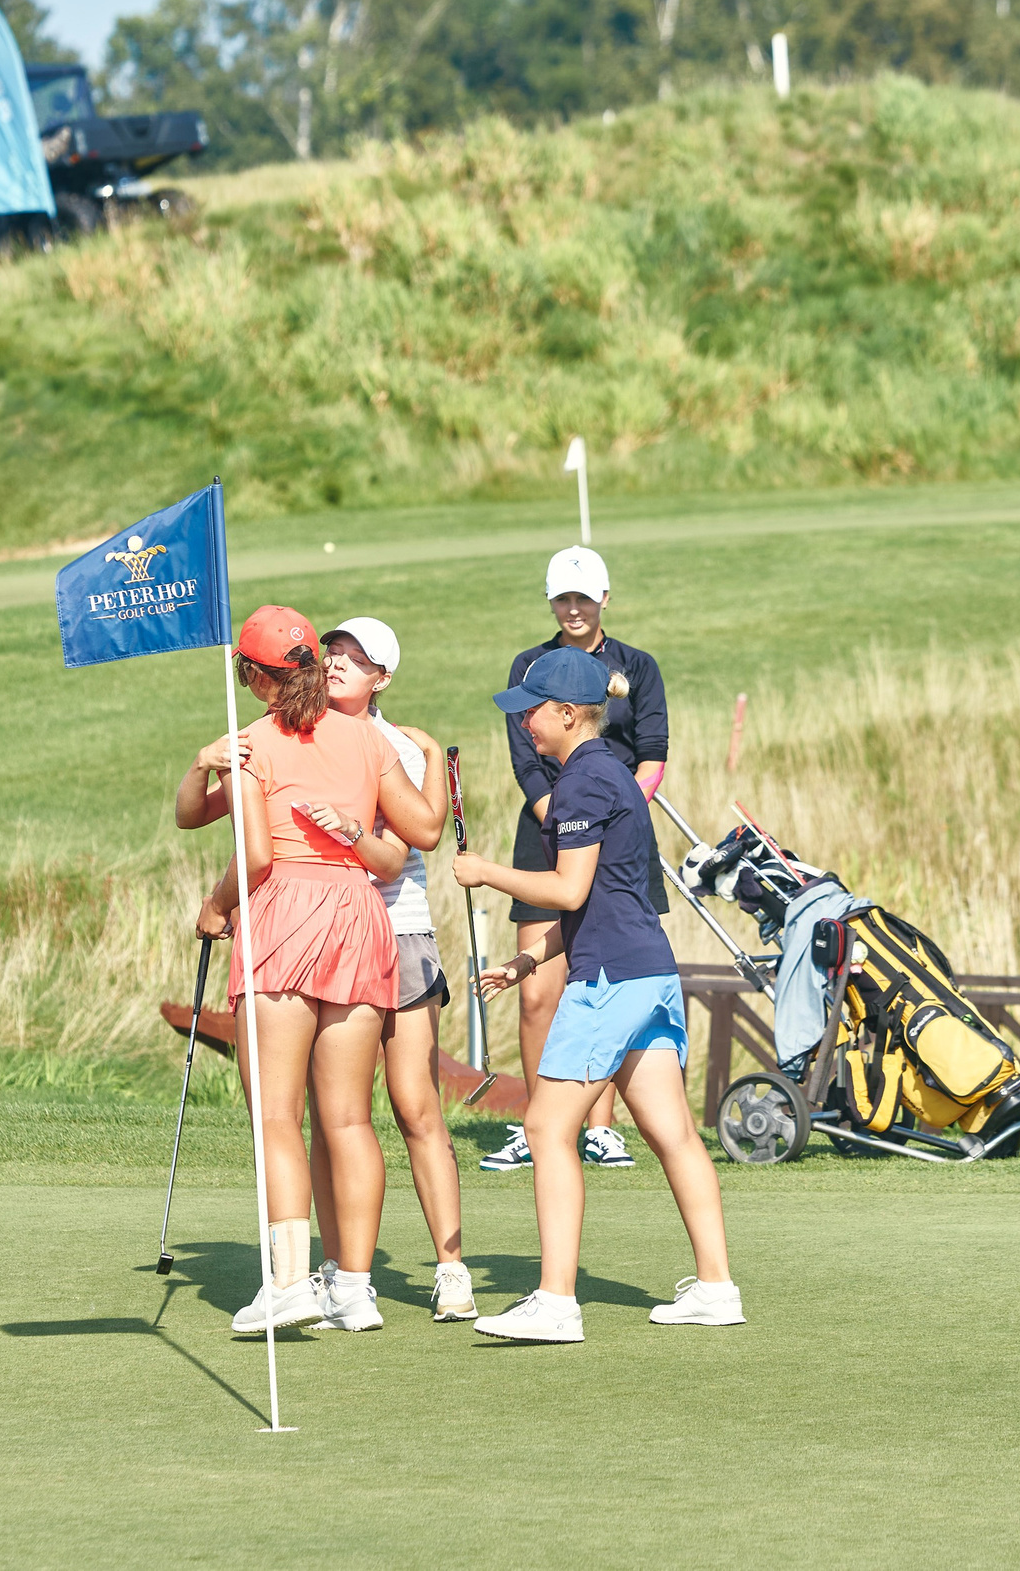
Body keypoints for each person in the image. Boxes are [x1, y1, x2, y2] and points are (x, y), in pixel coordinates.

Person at [452, 646, 741, 1343]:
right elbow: (597, 902)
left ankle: (555, 1300)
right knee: (671, 1132)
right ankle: (715, 1286)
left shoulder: (583, 782)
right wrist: (527, 962)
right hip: (648, 973)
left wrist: (488, 871)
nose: (524, 725)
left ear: (569, 713)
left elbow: (569, 891)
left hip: (610, 980)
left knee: (549, 1127)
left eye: (532, 713)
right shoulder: (611, 776)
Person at [174, 605, 441, 1335]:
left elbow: (255, 854)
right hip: (360, 914)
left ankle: (291, 1282)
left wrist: (215, 902)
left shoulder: (255, 742)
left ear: (254, 677)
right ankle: (353, 1288)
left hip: (285, 914)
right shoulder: (363, 736)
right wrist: (203, 768)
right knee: (350, 1117)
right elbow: (421, 828)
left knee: (277, 1116)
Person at [305, 617, 477, 1323]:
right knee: (331, 1113)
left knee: (415, 1105)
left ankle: (452, 1267)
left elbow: (417, 835)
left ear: (382, 677)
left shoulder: (400, 745)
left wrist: (428, 756)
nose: (339, 662)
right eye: (333, 651)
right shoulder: (301, 733)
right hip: (325, 933)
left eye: (357, 658)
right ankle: (345, 1270)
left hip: (396, 933)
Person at [480, 545, 670, 1176]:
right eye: (563, 597)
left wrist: (616, 820)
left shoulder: (636, 665)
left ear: (604, 600)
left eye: (584, 597)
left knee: (607, 972)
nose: (574, 608)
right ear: (551, 602)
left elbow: (652, 753)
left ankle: (602, 1127)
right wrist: (562, 824)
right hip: (548, 825)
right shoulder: (529, 665)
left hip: (616, 825)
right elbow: (526, 764)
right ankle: (542, 1119)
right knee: (540, 993)